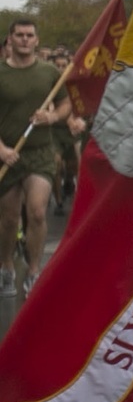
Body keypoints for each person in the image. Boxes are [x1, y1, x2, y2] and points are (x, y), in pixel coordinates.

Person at [0, 19, 72, 296]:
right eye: (19, 35)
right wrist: (2, 150)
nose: (25, 40)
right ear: (10, 39)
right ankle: (6, 266)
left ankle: (33, 271)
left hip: (40, 152)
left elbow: (66, 103)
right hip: (8, 154)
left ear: (37, 40)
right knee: (8, 219)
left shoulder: (49, 72)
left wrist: (52, 116)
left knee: (38, 211)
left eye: (30, 35)